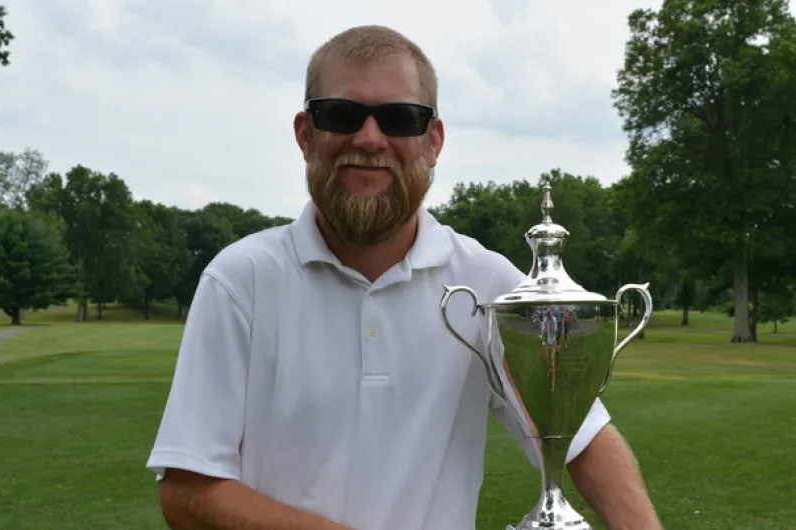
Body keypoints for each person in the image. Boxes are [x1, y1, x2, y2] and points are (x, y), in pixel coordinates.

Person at [145, 25, 662, 530]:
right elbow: (189, 491)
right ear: (306, 134)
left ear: (433, 141)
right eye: (341, 114)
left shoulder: (485, 282)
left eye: (400, 118)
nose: (370, 139)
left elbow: (580, 435)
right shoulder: (240, 279)